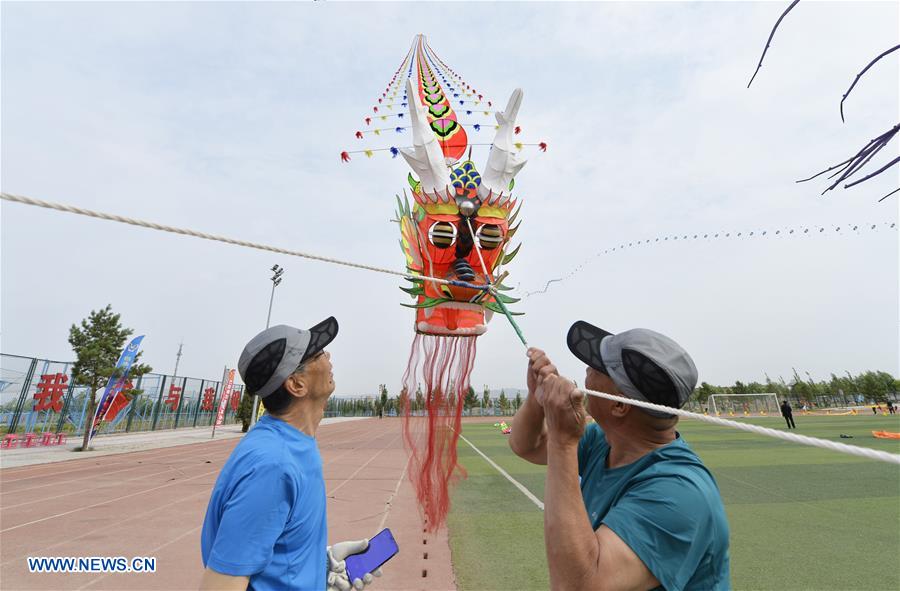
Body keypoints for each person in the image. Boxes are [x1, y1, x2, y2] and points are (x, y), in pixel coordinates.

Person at [509, 321, 730, 590]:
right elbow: (527, 446)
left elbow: (579, 586)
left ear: (618, 404)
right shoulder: (604, 442)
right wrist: (537, 397)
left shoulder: (680, 493)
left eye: (598, 367)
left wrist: (563, 441)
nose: (587, 369)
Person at [200, 318, 382, 591]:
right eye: (318, 353)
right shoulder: (272, 466)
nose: (328, 356)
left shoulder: (295, 444)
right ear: (296, 385)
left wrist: (320, 565)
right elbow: (220, 586)